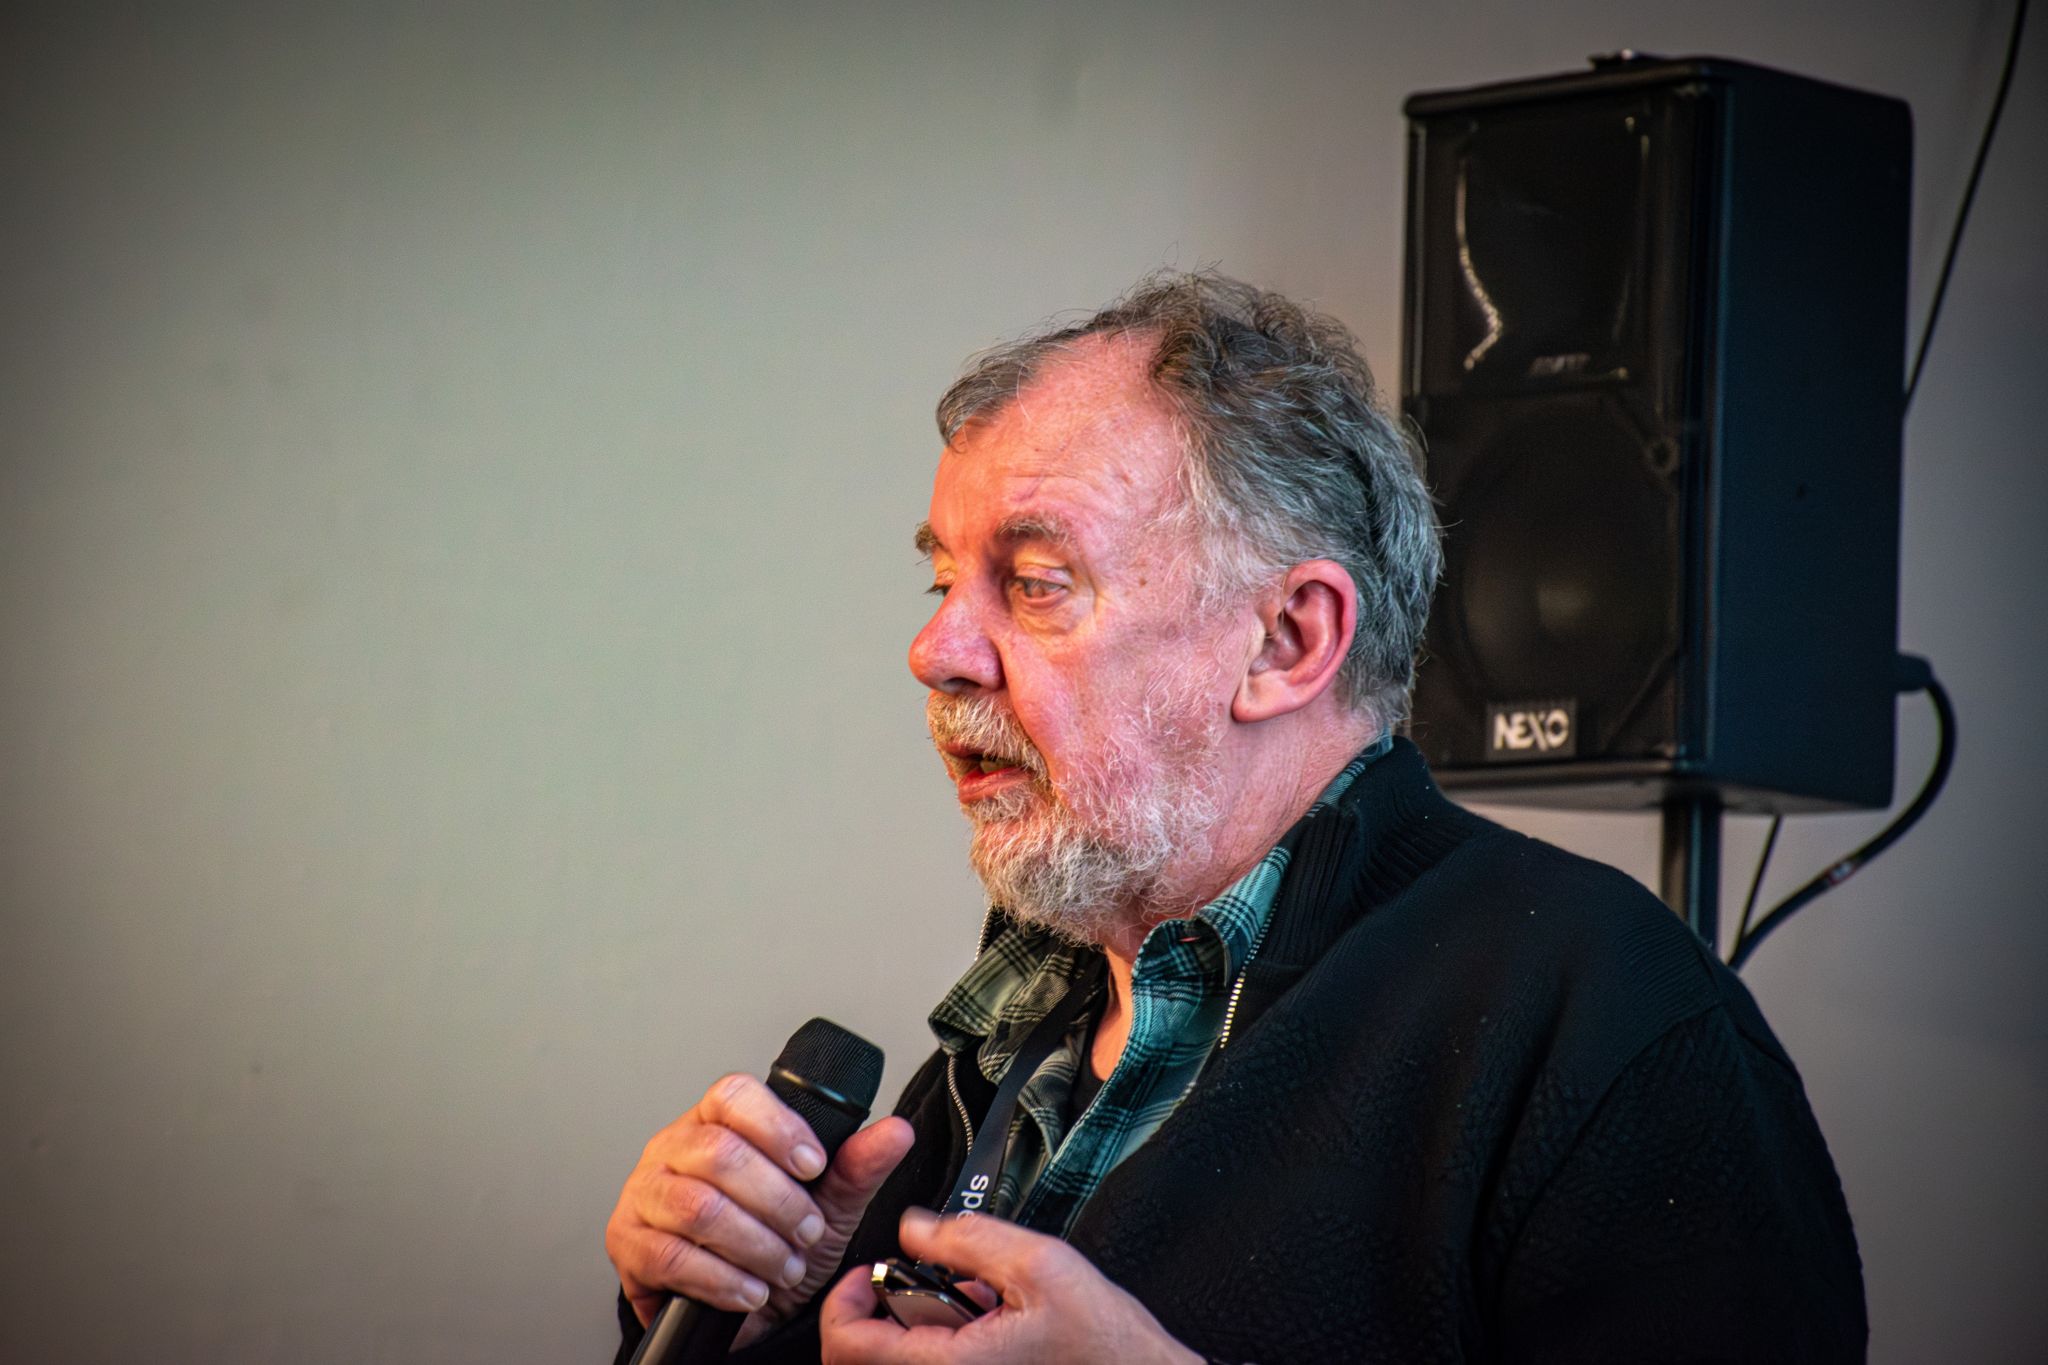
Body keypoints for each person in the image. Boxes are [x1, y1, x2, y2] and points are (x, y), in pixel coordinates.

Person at [605, 273, 1866, 1363]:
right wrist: (752, 1321)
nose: (934, 651)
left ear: (1285, 641)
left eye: (1034, 583)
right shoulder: (1012, 1036)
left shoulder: (1605, 1014)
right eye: (942, 580)